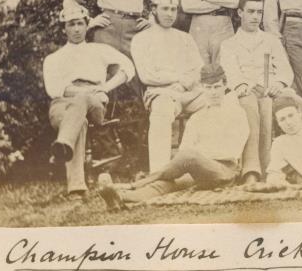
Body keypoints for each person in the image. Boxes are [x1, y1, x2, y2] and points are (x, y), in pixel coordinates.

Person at [98, 64, 249, 209]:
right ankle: (120, 197)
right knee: (167, 183)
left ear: (225, 86)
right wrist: (195, 158)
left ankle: (133, 184)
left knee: (190, 156)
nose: (213, 92)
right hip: (197, 171)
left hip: (224, 172)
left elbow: (231, 152)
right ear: (203, 89)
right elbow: (184, 151)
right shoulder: (197, 117)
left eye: (217, 87)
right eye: (208, 88)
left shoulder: (236, 113)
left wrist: (198, 155)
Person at [42, 0, 135, 202]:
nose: (76, 29)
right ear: (64, 29)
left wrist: (105, 87)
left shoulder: (98, 50)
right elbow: (54, 89)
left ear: (87, 25)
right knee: (79, 121)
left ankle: (63, 144)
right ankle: (77, 189)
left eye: (80, 23)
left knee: (83, 99)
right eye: (71, 24)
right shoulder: (53, 58)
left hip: (95, 104)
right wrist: (79, 92)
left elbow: (129, 67)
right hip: (62, 105)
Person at [129, 0, 205, 173]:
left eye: (173, 9)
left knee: (218, 103)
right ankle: (160, 173)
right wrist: (178, 81)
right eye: (165, 9)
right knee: (161, 112)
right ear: (154, 9)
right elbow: (147, 75)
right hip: (161, 94)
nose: (170, 14)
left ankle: (209, 166)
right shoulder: (141, 39)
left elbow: (198, 69)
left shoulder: (185, 38)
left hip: (189, 93)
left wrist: (182, 84)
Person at [219, 0, 291, 182]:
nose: (255, 17)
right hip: (244, 91)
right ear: (240, 13)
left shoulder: (271, 41)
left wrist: (278, 84)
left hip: (269, 89)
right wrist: (243, 85)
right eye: (251, 11)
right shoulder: (229, 44)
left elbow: (284, 70)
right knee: (250, 105)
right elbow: (231, 72)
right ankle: (251, 170)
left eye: (259, 12)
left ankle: (273, 167)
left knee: (270, 103)